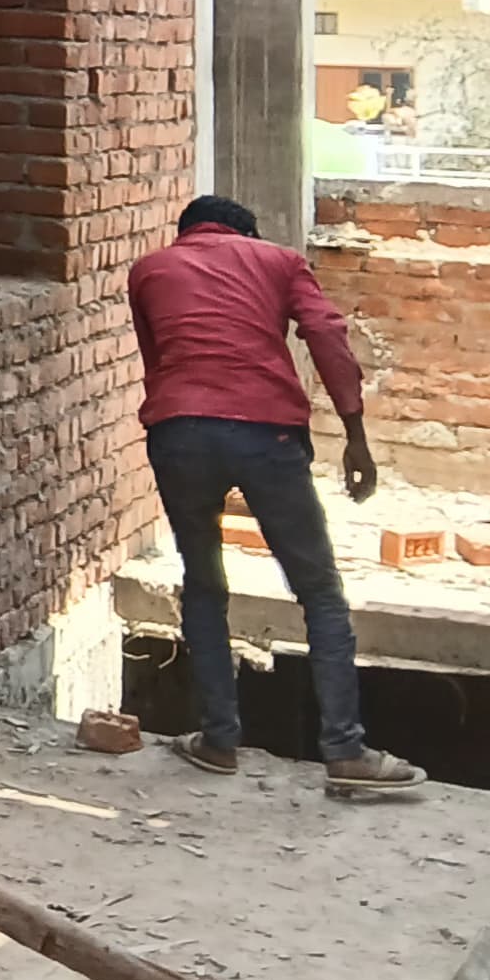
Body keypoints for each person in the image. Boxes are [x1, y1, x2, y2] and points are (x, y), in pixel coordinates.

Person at [125, 194, 426, 799]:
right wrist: (355, 434)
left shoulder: (149, 270)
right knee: (319, 591)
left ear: (187, 233)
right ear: (249, 234)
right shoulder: (279, 261)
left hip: (179, 431)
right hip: (268, 433)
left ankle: (218, 740)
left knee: (203, 582)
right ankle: (345, 751)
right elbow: (326, 335)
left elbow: (157, 362)